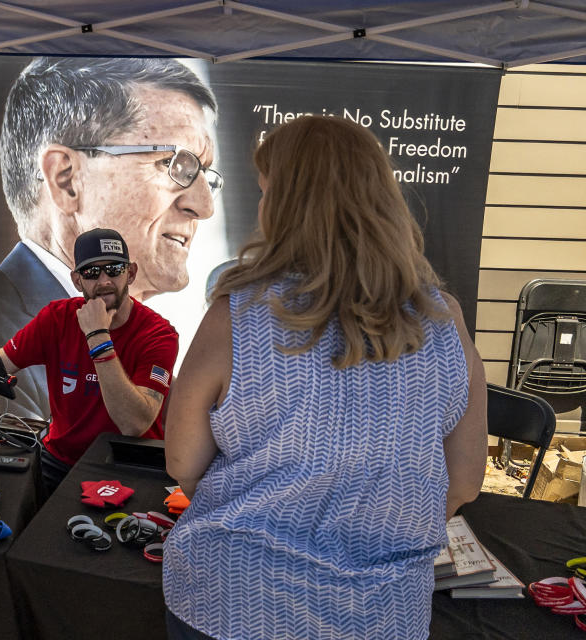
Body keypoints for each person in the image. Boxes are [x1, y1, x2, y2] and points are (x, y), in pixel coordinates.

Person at [162, 116, 487, 640]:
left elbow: (183, 463)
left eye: (267, 193)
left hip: (233, 601)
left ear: (290, 208)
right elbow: (465, 482)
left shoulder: (237, 314)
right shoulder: (444, 322)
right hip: (380, 613)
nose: (261, 208)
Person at [0, 57, 218, 420]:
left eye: (204, 173)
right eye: (175, 165)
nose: (204, 205)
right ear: (66, 179)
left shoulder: (149, 331)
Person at [0, 228, 178, 495]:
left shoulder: (158, 334)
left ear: (130, 273)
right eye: (92, 273)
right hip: (60, 461)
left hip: (127, 463)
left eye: (114, 269)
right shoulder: (57, 318)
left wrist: (97, 337)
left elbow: (134, 424)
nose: (104, 280)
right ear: (77, 280)